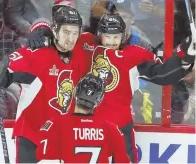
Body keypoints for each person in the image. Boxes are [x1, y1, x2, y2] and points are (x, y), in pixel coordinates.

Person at [26, 11, 195, 162]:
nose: (112, 42)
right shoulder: (85, 45)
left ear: (123, 36)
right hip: (84, 127)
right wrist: (40, 29)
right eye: (108, 36)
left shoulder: (133, 56)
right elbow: (61, 30)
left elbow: (164, 74)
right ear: (100, 34)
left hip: (119, 128)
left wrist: (186, 54)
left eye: (116, 37)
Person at [0, 5, 89, 163]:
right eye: (66, 32)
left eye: (75, 32)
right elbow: (6, 72)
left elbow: (105, 40)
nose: (71, 39)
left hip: (64, 136)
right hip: (32, 137)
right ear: (55, 30)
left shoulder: (80, 52)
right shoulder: (36, 54)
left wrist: (41, 26)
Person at [36, 73, 131, 163]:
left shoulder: (54, 125)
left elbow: (46, 161)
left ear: (75, 92)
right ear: (99, 101)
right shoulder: (113, 131)